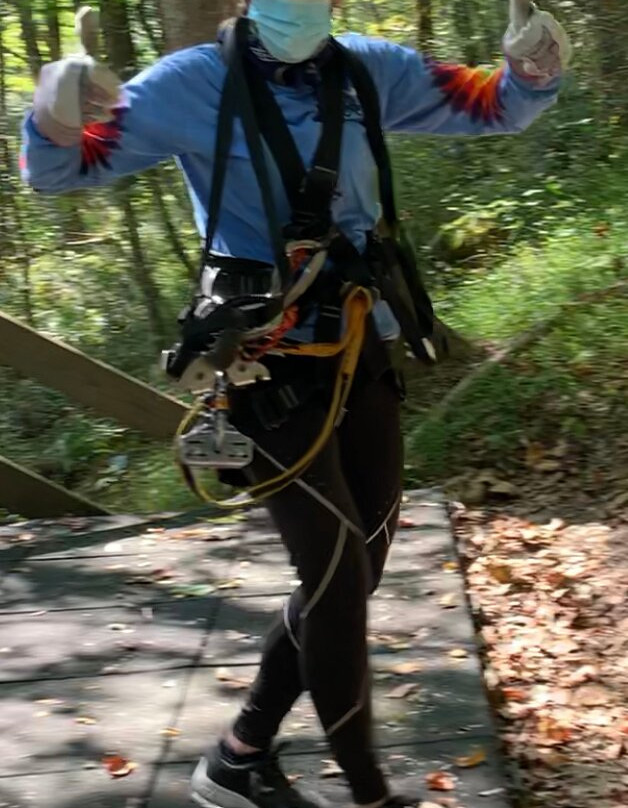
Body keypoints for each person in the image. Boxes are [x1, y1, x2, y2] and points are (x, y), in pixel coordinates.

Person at [21, 2, 571, 807]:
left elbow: (492, 104)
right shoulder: (188, 86)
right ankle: (370, 793)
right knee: (338, 572)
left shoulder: (369, 70)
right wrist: (54, 109)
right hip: (264, 363)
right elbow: (58, 170)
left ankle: (239, 756)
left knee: (359, 563)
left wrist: (533, 70)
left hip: (362, 341)